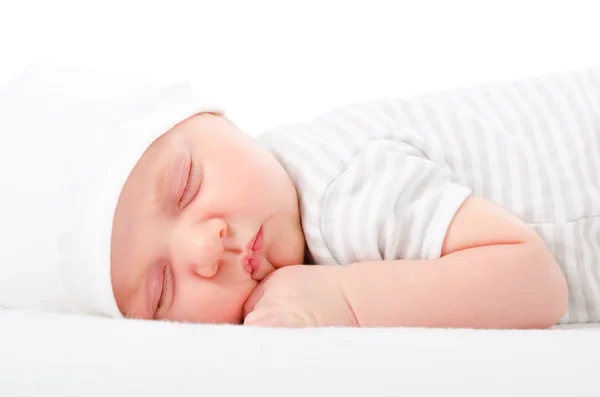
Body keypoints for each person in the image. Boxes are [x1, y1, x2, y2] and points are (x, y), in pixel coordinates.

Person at [5, 62, 598, 329]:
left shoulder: (339, 187)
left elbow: (534, 282)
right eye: (162, 289)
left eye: (186, 185)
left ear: (217, 117)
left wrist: (343, 299)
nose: (205, 248)